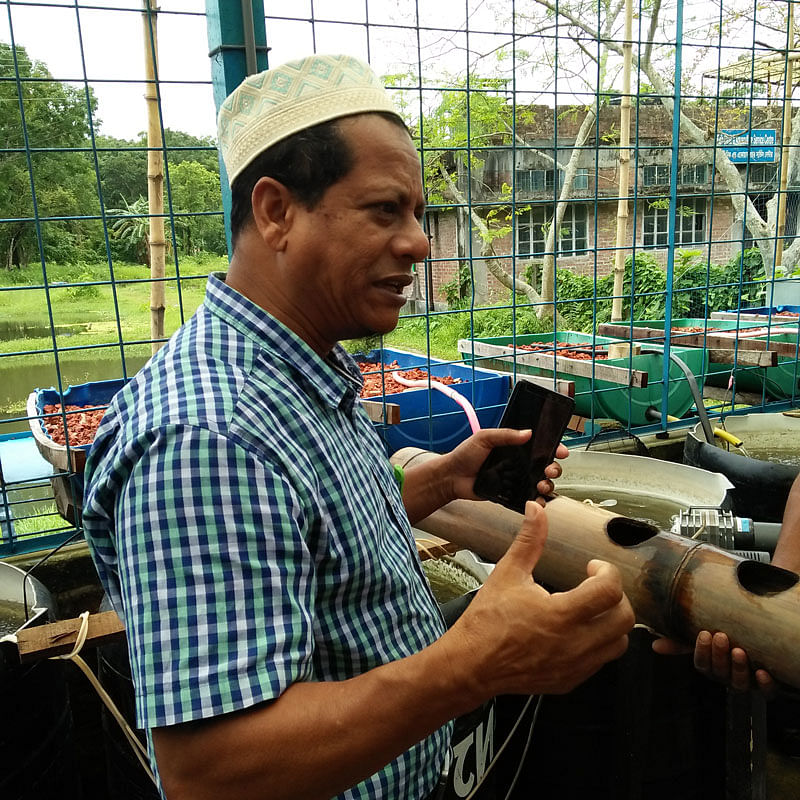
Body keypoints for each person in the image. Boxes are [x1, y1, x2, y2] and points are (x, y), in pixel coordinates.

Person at [81, 54, 635, 800]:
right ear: (276, 211)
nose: (418, 242)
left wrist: (438, 483)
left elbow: (297, 543)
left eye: (414, 211)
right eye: (385, 210)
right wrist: (472, 665)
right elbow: (211, 772)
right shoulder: (210, 436)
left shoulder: (302, 370)